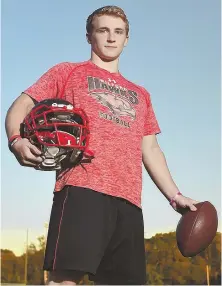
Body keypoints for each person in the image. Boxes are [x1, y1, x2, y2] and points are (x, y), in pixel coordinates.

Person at [5, 5, 199, 285]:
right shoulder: (68, 72)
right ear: (89, 36)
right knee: (63, 280)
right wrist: (15, 140)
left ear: (126, 39)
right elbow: (21, 105)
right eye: (103, 30)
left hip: (130, 201)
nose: (111, 38)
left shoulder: (141, 94)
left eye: (118, 32)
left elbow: (151, 148)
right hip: (82, 190)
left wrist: (175, 196)